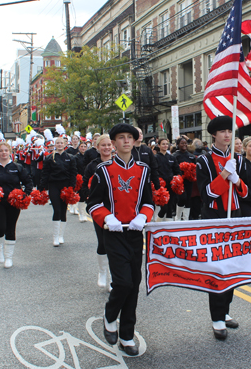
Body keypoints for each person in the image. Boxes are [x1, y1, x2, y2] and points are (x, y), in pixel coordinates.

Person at [87, 123, 154, 356]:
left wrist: (143, 217)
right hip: (114, 234)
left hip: (135, 233)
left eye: (130, 138)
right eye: (121, 138)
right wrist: (107, 218)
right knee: (123, 283)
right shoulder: (102, 170)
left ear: (135, 142)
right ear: (113, 143)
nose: (126, 141)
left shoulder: (144, 169)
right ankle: (109, 314)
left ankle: (127, 335)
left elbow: (149, 202)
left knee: (134, 284)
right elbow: (93, 203)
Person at [196, 116, 248, 340]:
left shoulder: (238, 158)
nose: (227, 135)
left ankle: (225, 311)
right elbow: (207, 194)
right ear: (214, 135)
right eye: (223, 131)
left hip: (235, 215)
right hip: (214, 216)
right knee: (218, 268)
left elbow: (245, 192)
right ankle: (217, 318)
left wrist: (236, 180)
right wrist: (225, 174)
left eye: (230, 131)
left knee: (233, 267)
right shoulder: (204, 161)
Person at [0, 142, 33, 268]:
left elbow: (28, 181)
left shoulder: (17, 167)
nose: (3, 153)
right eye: (1, 151)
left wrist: (25, 194)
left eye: (6, 150)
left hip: (13, 202)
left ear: (10, 152)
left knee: (10, 228)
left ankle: (9, 257)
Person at [80, 134, 113, 290]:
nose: (106, 148)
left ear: (113, 146)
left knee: (115, 243)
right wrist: (90, 196)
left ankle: (114, 277)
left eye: (109, 145)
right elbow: (84, 185)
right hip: (99, 207)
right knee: (103, 241)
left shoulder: (119, 162)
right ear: (98, 147)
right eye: (103, 145)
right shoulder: (92, 166)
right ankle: (102, 272)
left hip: (116, 207)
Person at [39, 136, 77, 247]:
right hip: (54, 185)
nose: (59, 144)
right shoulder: (49, 158)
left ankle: (61, 235)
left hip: (65, 186)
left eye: (61, 143)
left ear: (65, 144)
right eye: (57, 143)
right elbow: (45, 174)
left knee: (64, 210)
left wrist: (72, 188)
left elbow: (73, 173)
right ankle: (55, 237)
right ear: (55, 145)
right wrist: (42, 188)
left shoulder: (70, 158)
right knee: (57, 209)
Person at [155, 138, 181, 221]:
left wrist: (177, 180)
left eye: (166, 144)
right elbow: (153, 171)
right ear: (158, 145)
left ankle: (169, 230)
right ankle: (157, 225)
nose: (165, 145)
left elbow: (177, 171)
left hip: (171, 186)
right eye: (163, 144)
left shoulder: (172, 158)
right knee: (164, 208)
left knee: (170, 208)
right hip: (161, 187)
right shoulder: (155, 158)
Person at [173, 136, 197, 220]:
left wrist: (192, 173)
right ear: (178, 144)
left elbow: (195, 168)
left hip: (189, 181)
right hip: (179, 181)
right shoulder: (175, 155)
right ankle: (178, 216)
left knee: (188, 198)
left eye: (185, 143)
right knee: (182, 198)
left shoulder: (191, 156)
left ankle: (186, 218)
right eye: (182, 143)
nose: (184, 145)